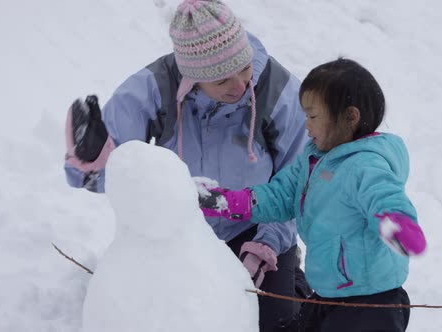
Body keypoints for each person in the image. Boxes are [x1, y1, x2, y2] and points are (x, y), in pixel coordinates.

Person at [63, 0, 311, 331]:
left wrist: (265, 245)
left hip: (255, 225)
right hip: (178, 228)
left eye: (244, 69)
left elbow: (298, 182)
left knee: (272, 324)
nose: (239, 86)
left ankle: (294, 282)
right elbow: (116, 176)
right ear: (193, 75)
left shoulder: (278, 91)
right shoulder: (152, 89)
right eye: (223, 80)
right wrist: (90, 160)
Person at [198, 58, 427, 332]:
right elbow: (280, 195)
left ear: (350, 117)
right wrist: (227, 202)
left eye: (314, 116)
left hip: (370, 304)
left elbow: (383, 196)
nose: (307, 126)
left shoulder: (365, 165)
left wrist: (398, 224)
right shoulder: (313, 158)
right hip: (329, 293)